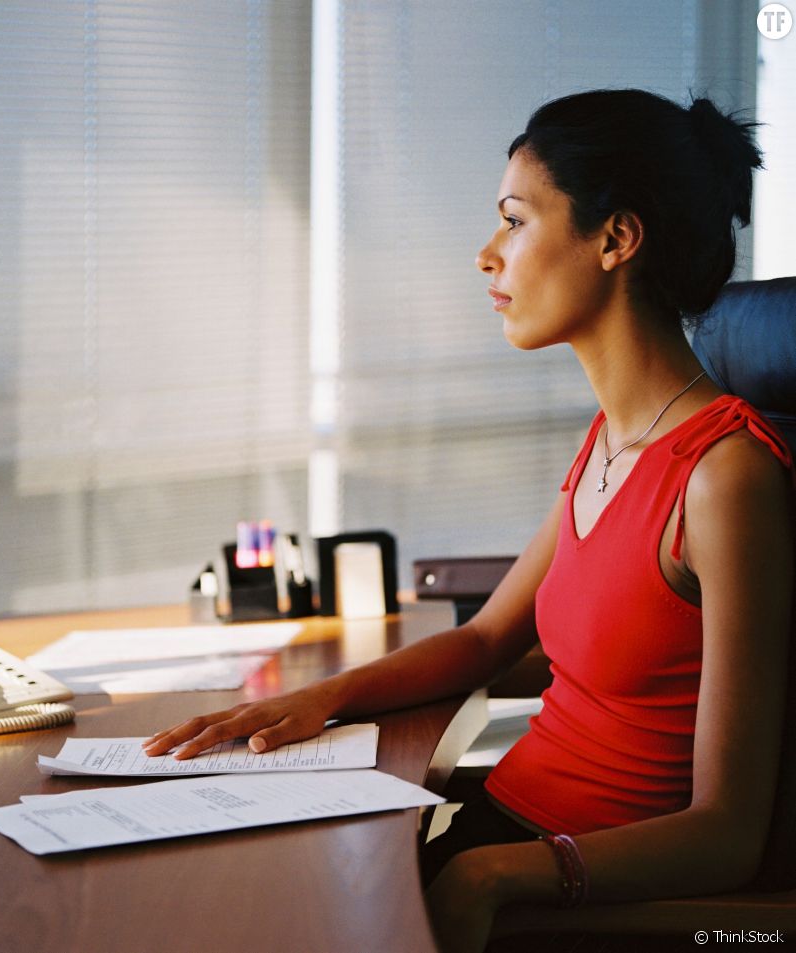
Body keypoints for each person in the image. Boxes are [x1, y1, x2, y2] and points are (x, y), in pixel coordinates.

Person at [143, 89, 794, 953]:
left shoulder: (723, 478)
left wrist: (495, 875)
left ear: (614, 239)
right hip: (496, 828)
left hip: (559, 880)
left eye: (515, 221)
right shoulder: (613, 437)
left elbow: (725, 832)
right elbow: (489, 637)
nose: (487, 255)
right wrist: (313, 702)